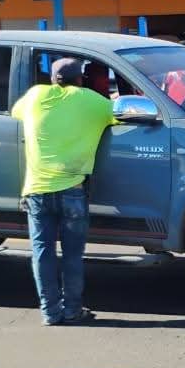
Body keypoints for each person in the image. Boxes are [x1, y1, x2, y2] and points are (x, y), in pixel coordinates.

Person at [11, 58, 116, 326]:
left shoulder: (35, 95)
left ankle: (50, 312)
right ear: (80, 79)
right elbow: (121, 115)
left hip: (37, 191)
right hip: (72, 190)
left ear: (52, 78)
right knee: (72, 255)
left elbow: (15, 112)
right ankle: (72, 310)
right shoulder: (92, 101)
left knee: (42, 253)